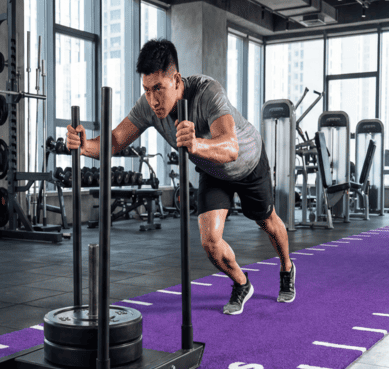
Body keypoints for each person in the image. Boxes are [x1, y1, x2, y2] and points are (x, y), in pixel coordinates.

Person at [67, 38, 294, 315]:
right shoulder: (148, 106)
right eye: (147, 90)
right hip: (213, 171)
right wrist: (85, 145)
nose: (153, 99)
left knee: (268, 222)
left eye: (159, 89)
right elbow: (115, 140)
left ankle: (287, 268)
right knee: (210, 242)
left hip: (247, 162)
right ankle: (242, 283)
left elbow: (231, 146)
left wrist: (196, 144)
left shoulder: (208, 92)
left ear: (175, 79)